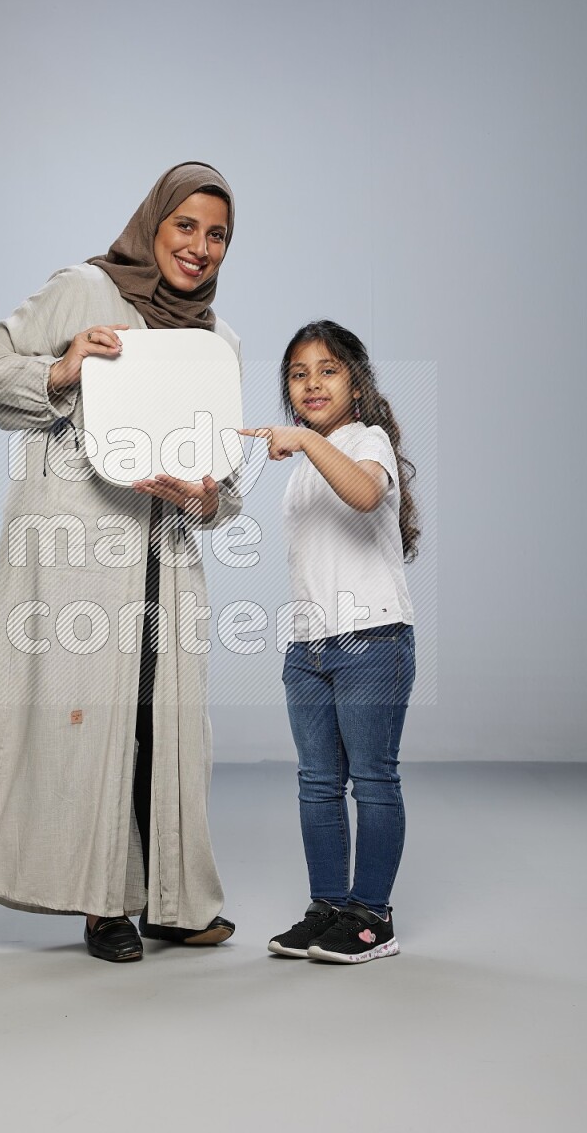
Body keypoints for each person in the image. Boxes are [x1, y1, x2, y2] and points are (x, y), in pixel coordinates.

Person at [0, 162, 240, 962]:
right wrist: (62, 368)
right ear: (154, 222)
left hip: (165, 562)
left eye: (217, 234)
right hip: (80, 550)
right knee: (91, 723)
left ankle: (176, 905)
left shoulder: (216, 342)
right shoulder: (83, 291)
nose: (200, 246)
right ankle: (102, 902)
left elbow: (230, 487)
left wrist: (205, 497)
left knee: (165, 728)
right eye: (186, 225)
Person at [241, 320, 419, 964]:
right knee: (317, 783)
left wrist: (304, 445)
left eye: (327, 369)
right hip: (310, 646)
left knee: (372, 779)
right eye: (298, 373)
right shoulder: (304, 463)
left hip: (372, 638)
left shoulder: (363, 440)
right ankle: (328, 908)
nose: (312, 383)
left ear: (355, 380)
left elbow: (367, 491)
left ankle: (373, 917)